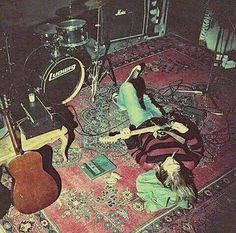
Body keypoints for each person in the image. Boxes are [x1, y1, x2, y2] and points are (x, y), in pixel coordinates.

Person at [111, 64, 204, 211]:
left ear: (160, 171)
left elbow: (134, 150)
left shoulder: (149, 164)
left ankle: (123, 101)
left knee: (128, 88)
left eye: (169, 165)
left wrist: (127, 137)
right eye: (177, 165)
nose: (173, 160)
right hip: (162, 121)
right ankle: (126, 101)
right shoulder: (189, 164)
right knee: (146, 98)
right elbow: (198, 149)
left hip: (141, 123)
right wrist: (186, 132)